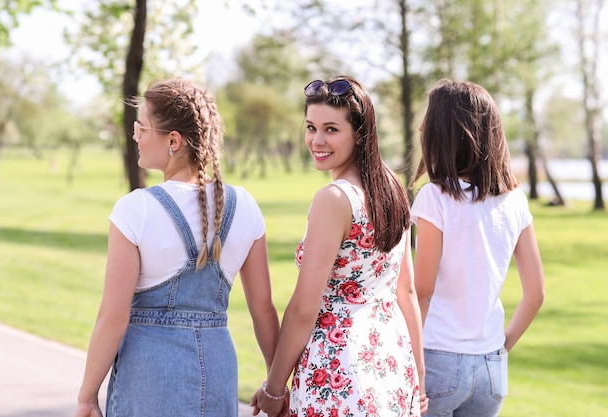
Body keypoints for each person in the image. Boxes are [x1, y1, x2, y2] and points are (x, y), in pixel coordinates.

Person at [75, 78, 280, 417]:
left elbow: (113, 315)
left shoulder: (135, 209)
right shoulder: (245, 205)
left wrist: (86, 397)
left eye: (142, 127)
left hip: (149, 377)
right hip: (218, 371)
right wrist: (277, 386)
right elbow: (263, 310)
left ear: (173, 140)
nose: (135, 135)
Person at [251, 76, 427, 417]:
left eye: (331, 129)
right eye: (311, 127)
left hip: (338, 374)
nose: (317, 140)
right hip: (390, 366)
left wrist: (274, 390)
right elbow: (405, 291)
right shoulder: (392, 188)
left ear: (359, 134)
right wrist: (417, 380)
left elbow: (305, 307)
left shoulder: (334, 198)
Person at [410, 80, 545, 417]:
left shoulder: (435, 197)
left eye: (428, 118)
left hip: (436, 358)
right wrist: (499, 348)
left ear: (444, 132)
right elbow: (536, 293)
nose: (420, 125)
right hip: (491, 369)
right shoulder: (515, 200)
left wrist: (405, 358)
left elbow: (421, 292)